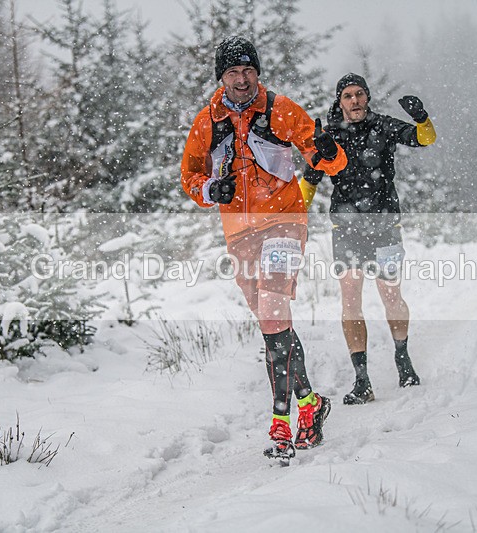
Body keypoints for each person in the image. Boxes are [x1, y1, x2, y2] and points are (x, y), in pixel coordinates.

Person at [181, 37, 348, 460]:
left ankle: (281, 422)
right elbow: (189, 178)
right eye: (233, 72)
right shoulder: (207, 122)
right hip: (239, 233)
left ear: (258, 73)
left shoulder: (280, 109)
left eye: (248, 71)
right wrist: (209, 189)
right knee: (273, 321)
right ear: (222, 77)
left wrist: (328, 153)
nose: (242, 80)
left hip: (285, 223)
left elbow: (326, 155)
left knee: (274, 308)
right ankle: (311, 403)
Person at [299, 73, 436, 405]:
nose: (355, 100)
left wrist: (421, 118)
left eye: (360, 94)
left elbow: (424, 139)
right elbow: (309, 183)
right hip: (345, 230)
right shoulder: (328, 137)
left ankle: (402, 357)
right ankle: (362, 380)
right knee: (350, 300)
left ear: (368, 97)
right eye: (348, 95)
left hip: (385, 226)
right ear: (340, 101)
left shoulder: (383, 126)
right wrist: (294, 218)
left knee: (390, 294)